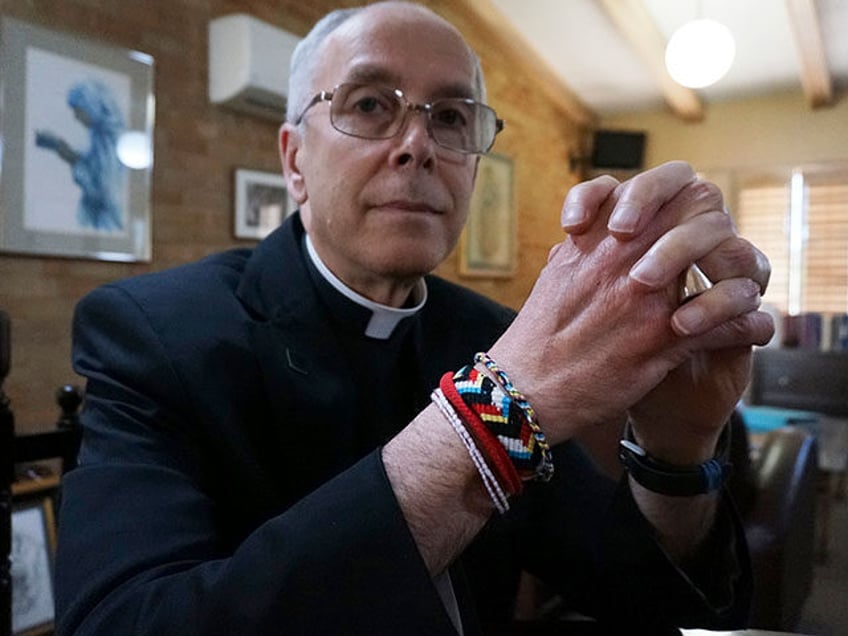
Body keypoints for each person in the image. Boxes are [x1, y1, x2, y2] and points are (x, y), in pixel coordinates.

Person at [54, 2, 773, 634]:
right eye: (369, 105)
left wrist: (677, 449)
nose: (418, 145)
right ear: (295, 160)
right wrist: (489, 415)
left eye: (452, 118)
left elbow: (645, 599)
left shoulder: (491, 334)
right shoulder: (153, 334)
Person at [35, 80, 126, 231]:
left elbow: (103, 191)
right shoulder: (98, 136)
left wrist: (72, 159)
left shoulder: (108, 138)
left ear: (91, 106)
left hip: (104, 222)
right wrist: (64, 150)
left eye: (78, 110)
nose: (76, 116)